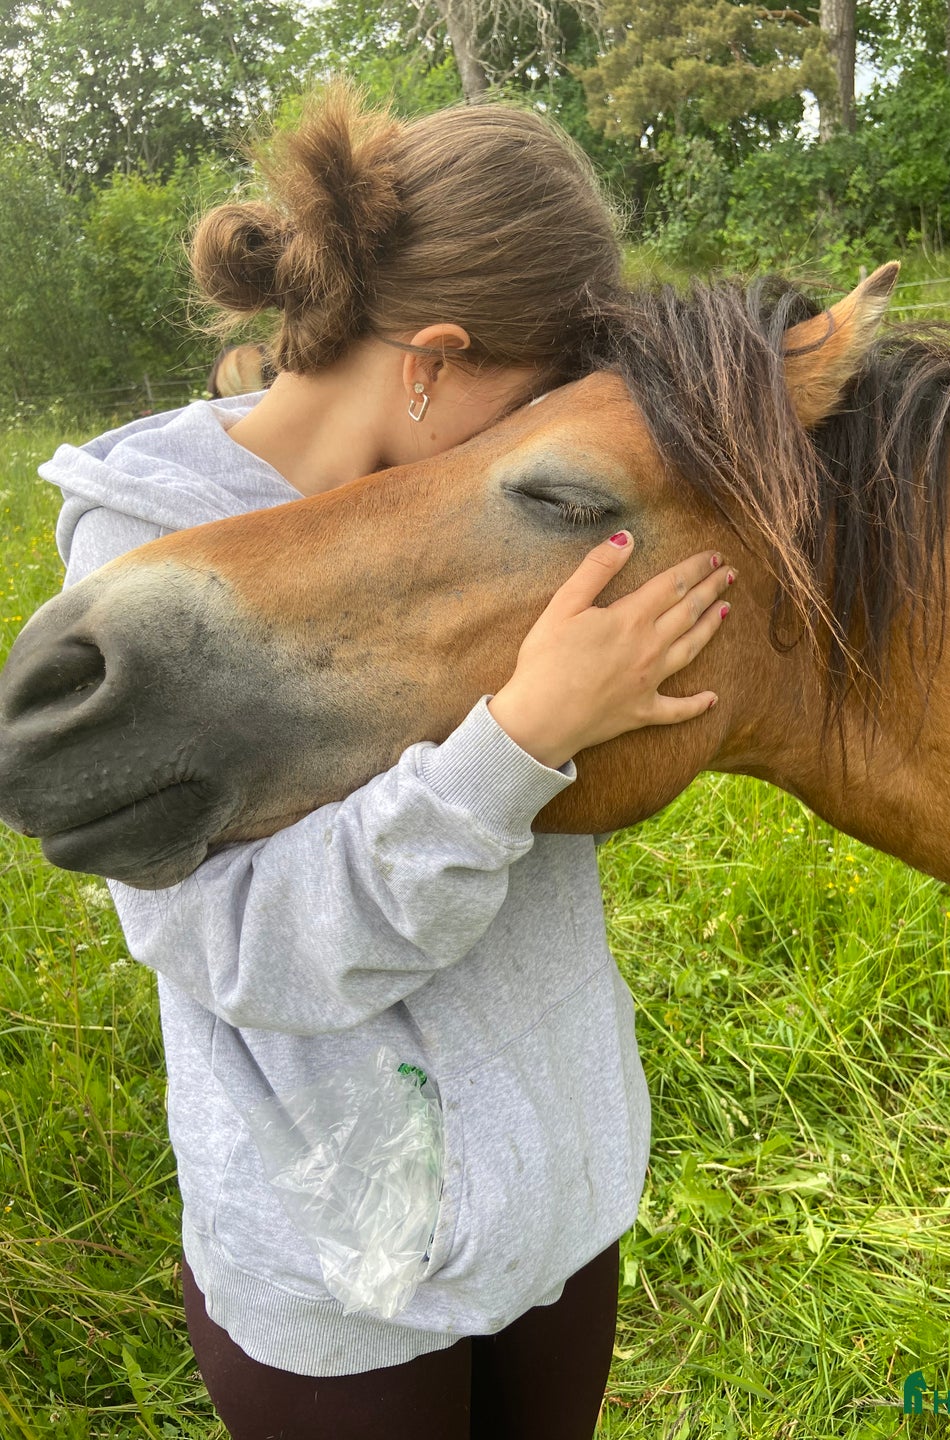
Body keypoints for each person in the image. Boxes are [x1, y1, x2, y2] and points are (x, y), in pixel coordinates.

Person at [41, 82, 735, 1439]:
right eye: (531, 414)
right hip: (341, 1267)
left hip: (560, 1204)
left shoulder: (507, 508)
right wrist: (518, 741)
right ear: (435, 360)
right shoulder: (150, 571)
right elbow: (240, 949)